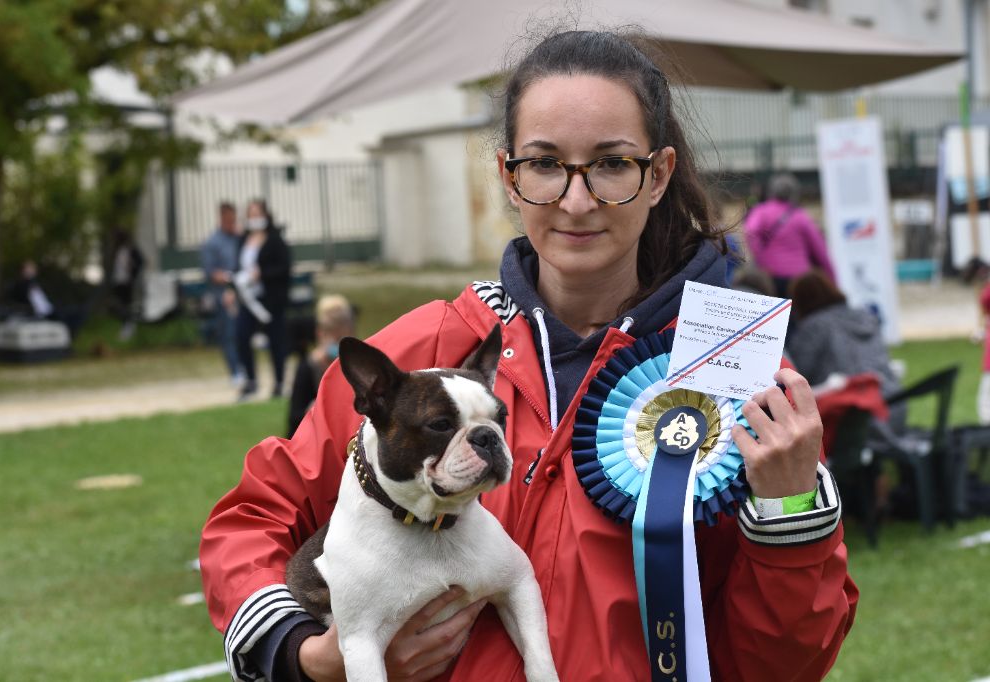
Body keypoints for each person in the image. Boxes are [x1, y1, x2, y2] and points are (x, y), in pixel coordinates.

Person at [201, 29, 857, 682]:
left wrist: (792, 510)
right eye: (544, 164)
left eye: (610, 164)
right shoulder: (425, 350)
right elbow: (252, 521)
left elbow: (783, 663)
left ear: (657, 175)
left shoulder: (738, 371)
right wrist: (310, 657)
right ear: (508, 178)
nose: (576, 200)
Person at [786, 269, 906, 442]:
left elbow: (797, 376)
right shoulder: (865, 317)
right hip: (893, 408)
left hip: (851, 419)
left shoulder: (812, 328)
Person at [234, 199, 292, 400]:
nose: (254, 218)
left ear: (266, 215)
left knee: (275, 340)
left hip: (270, 300)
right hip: (247, 299)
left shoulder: (275, 240)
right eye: (251, 214)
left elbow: (284, 267)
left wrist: (262, 274)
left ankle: (278, 382)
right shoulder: (243, 240)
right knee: (242, 336)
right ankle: (250, 381)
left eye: (258, 214)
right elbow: (237, 267)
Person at [743, 173, 836, 297]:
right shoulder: (801, 216)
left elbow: (750, 233)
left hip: (771, 275)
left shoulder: (761, 212)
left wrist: (761, 258)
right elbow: (820, 250)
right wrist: (832, 278)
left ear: (772, 191)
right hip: (799, 277)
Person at [287, 294, 357, 439]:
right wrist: (317, 409)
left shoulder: (357, 365)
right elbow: (294, 418)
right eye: (333, 336)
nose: (337, 343)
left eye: (342, 337)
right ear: (320, 333)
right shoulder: (309, 367)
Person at [202, 201, 244, 387]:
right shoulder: (212, 242)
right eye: (228, 220)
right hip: (224, 296)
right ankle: (235, 371)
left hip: (241, 294)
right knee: (228, 335)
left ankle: (244, 367)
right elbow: (211, 272)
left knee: (242, 333)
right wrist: (230, 278)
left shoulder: (238, 238)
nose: (231, 223)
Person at [109, 230, 145, 340]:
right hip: (118, 282)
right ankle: (126, 326)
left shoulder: (131, 249)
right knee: (119, 306)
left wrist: (133, 270)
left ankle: (129, 327)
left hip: (128, 282)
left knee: (127, 305)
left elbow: (140, 261)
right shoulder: (116, 250)